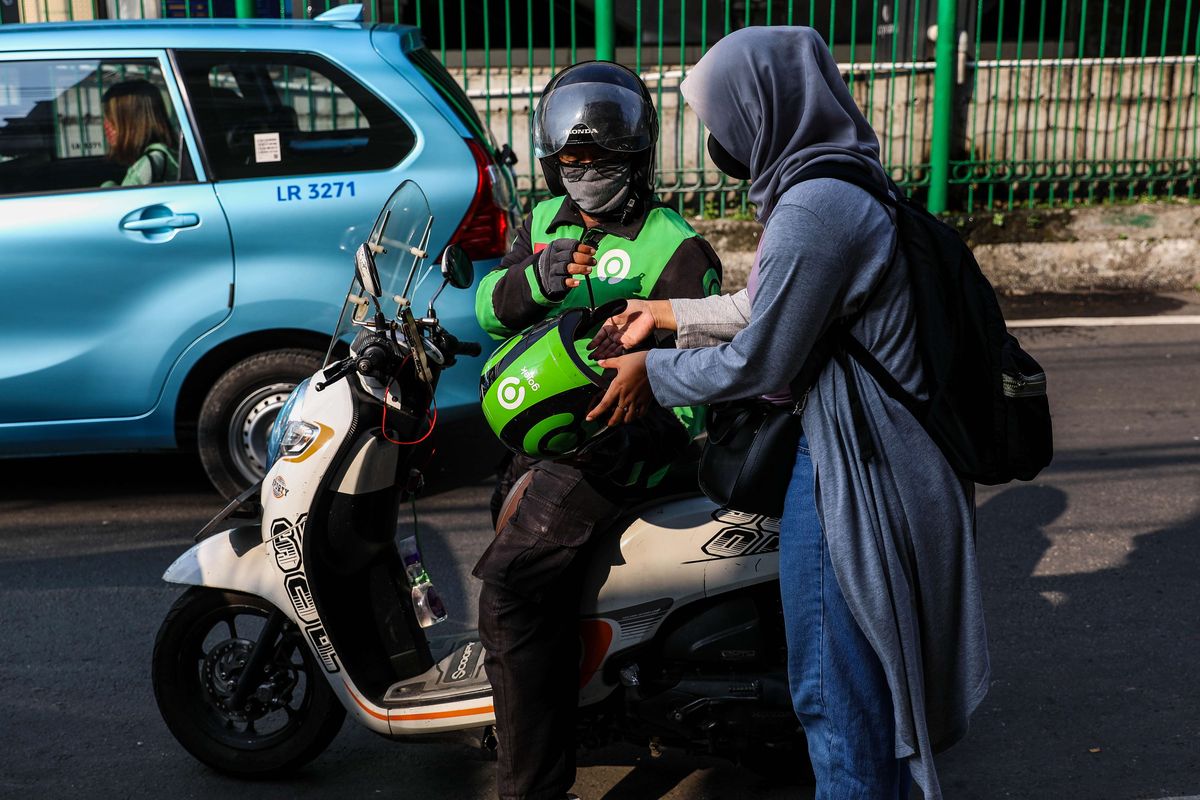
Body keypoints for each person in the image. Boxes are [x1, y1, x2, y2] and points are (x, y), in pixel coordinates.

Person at [587, 27, 989, 800]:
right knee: (856, 689)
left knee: (835, 700)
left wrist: (653, 374)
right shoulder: (834, 178)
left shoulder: (816, 206)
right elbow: (766, 305)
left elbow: (762, 359)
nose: (716, 140)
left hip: (861, 470)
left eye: (720, 119)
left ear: (762, 107)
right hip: (864, 452)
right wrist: (666, 312)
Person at [473, 61, 722, 800]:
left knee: (510, 592)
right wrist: (536, 279)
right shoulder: (545, 225)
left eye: (602, 160)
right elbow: (488, 310)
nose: (585, 174)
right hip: (544, 438)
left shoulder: (671, 244)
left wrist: (636, 392)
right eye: (573, 161)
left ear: (635, 160)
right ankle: (557, 705)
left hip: (623, 446)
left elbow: (699, 382)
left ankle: (533, 788)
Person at [101, 80, 179, 187]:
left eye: (112, 120)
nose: (105, 125)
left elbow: (124, 202)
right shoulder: (160, 157)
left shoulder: (150, 163)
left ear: (132, 122)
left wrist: (108, 186)